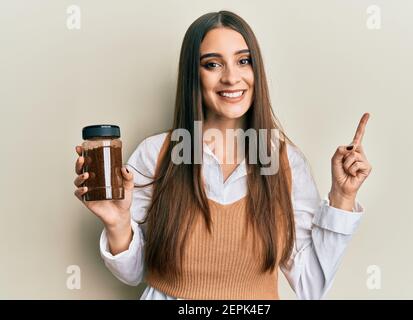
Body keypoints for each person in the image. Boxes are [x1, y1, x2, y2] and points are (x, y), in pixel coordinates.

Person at [73, 10, 372, 300]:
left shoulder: (285, 163)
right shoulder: (157, 155)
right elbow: (133, 273)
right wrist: (117, 223)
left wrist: (342, 198)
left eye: (244, 61)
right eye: (213, 64)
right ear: (194, 75)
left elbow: (311, 287)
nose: (232, 77)